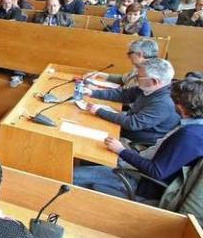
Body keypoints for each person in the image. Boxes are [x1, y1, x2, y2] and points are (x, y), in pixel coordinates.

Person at [74, 77, 203, 201]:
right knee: (92, 152)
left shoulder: (190, 136)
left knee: (71, 175)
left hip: (141, 182)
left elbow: (156, 172)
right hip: (139, 161)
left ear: (183, 106)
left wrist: (121, 150)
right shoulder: (193, 127)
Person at [80, 58, 181, 144]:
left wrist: (99, 111)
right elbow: (124, 95)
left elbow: (133, 123)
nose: (136, 79)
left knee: (87, 130)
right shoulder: (149, 87)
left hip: (135, 139)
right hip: (127, 125)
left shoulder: (164, 103)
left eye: (139, 76)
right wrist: (92, 93)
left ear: (154, 81)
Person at [84, 38, 159, 91]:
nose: (128, 57)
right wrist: (99, 74)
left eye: (129, 53)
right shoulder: (140, 66)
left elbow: (129, 97)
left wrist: (98, 90)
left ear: (139, 54)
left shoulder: (148, 74)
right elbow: (123, 79)